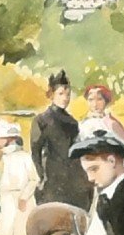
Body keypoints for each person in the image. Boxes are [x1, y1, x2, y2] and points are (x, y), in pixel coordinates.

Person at [30, 70, 91, 210]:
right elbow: (36, 152)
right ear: (51, 95)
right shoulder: (41, 120)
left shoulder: (72, 122)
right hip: (52, 176)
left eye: (68, 94)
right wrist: (42, 176)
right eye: (61, 94)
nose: (65, 98)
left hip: (73, 174)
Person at [0, 120, 38, 235]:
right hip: (6, 196)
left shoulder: (24, 157)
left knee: (21, 223)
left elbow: (34, 179)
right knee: (5, 221)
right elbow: (1, 178)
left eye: (0, 138)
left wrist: (24, 197)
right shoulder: (4, 157)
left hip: (22, 196)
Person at [82, 84, 124, 180]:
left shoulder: (110, 123)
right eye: (91, 100)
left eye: (99, 99)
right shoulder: (83, 124)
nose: (95, 104)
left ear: (105, 101)